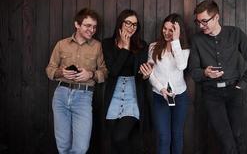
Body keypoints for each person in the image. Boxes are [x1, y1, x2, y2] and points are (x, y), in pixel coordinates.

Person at [189, 0, 247, 154]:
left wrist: (242, 84)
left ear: (216, 17)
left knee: (239, 137)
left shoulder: (235, 33)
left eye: (204, 21)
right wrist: (205, 73)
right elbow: (193, 72)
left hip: (234, 92)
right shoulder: (196, 40)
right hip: (211, 95)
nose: (201, 26)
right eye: (198, 22)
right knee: (227, 142)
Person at [46, 8, 108, 154]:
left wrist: (91, 74)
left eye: (94, 27)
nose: (91, 30)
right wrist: (62, 72)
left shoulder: (97, 46)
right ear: (77, 24)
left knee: (81, 148)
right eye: (87, 25)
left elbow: (104, 72)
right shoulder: (61, 44)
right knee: (63, 146)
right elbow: (49, 69)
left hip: (83, 97)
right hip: (61, 94)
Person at [102, 9, 151, 154]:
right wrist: (125, 47)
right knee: (115, 142)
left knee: (120, 138)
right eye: (128, 23)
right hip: (114, 94)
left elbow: (141, 74)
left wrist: (146, 75)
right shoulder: (107, 43)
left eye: (135, 25)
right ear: (120, 23)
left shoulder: (142, 45)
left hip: (133, 94)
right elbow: (113, 71)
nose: (131, 27)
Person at [140, 13, 190, 154]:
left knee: (177, 136)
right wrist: (161, 89)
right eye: (165, 29)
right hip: (159, 97)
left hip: (180, 97)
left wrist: (175, 41)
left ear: (178, 31)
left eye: (171, 30)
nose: (166, 32)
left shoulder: (184, 48)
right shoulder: (153, 47)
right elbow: (150, 73)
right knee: (163, 137)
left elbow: (181, 66)